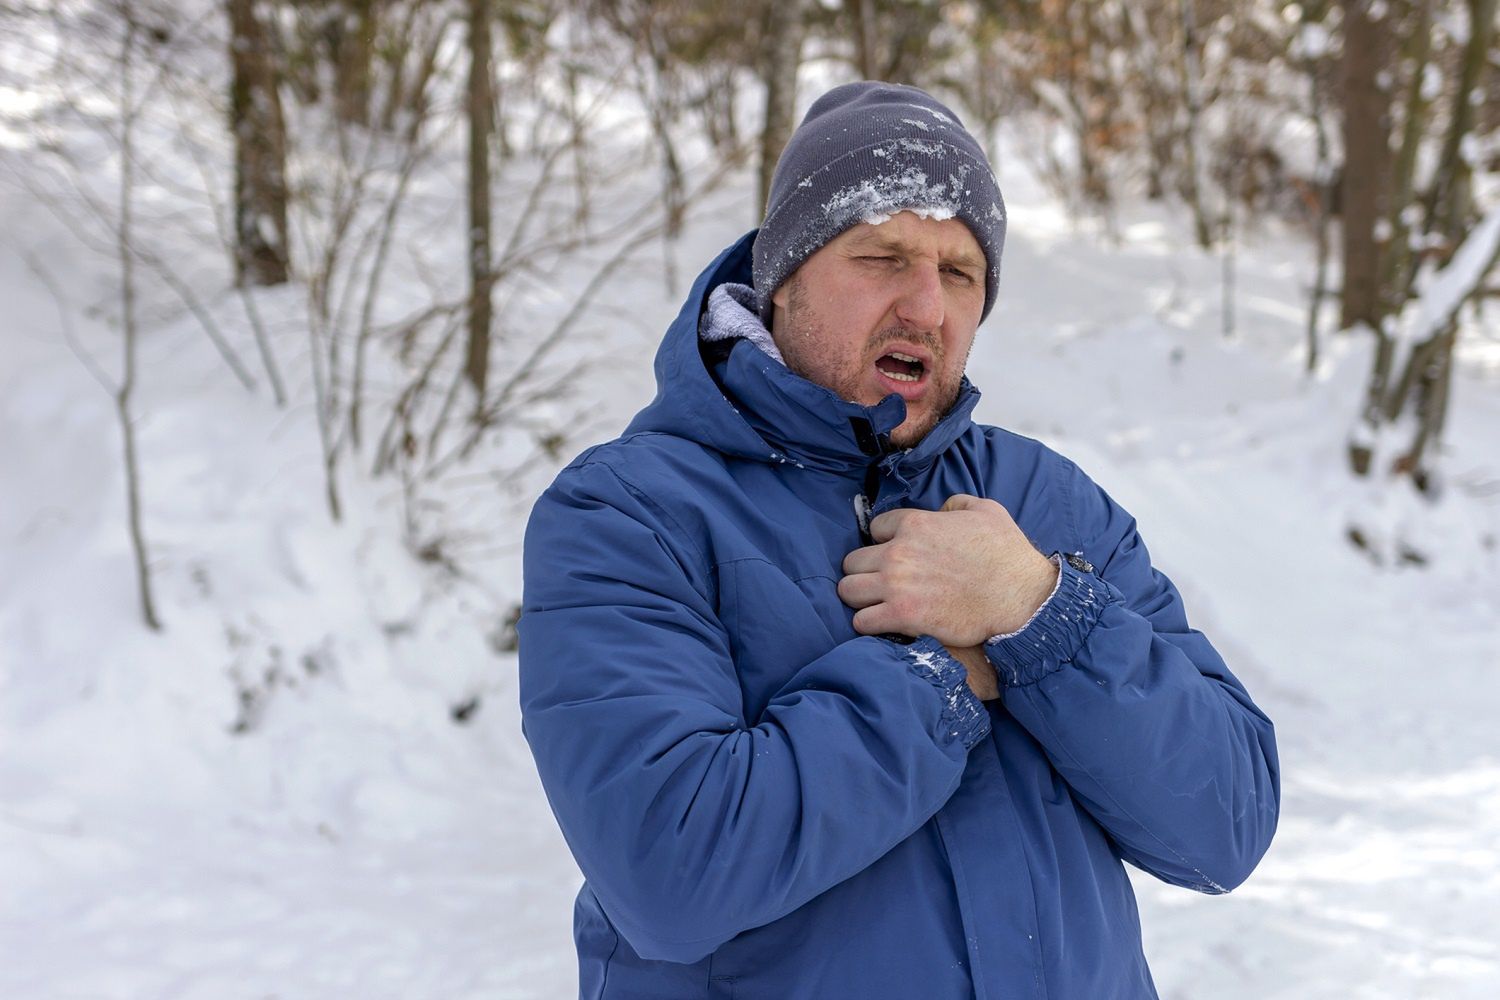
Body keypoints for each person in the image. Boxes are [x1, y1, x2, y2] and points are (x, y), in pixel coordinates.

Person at [519, 81, 1279, 1000]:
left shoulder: (1044, 503)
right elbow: (673, 873)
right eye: (882, 256)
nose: (926, 305)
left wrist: (1041, 613)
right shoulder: (630, 512)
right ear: (784, 278)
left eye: (959, 272)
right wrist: (947, 674)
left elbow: (1224, 823)